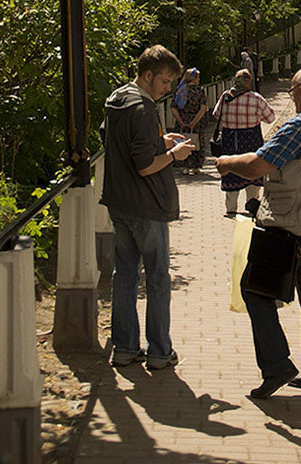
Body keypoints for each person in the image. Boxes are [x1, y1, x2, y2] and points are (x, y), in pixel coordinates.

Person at [215, 64, 301, 398]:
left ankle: (277, 365)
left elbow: (260, 165)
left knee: (255, 290)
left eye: (292, 90)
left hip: (294, 226)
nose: (291, 96)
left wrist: (226, 162)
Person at [100, 45, 194, 369]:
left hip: (118, 202)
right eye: (165, 82)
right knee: (157, 278)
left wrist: (161, 141)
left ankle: (124, 347)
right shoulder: (143, 108)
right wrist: (172, 155)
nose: (168, 89)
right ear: (148, 74)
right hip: (146, 205)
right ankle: (159, 351)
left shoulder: (118, 98)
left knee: (124, 274)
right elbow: (144, 165)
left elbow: (118, 143)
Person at [213, 69, 275, 217]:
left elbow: (216, 114)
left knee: (230, 169)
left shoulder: (225, 96)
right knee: (252, 169)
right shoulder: (256, 98)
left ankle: (231, 207)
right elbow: (270, 118)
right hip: (250, 139)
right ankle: (252, 204)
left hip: (230, 140)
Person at [170, 67, 208, 174]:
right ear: (193, 78)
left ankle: (185, 166)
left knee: (182, 141)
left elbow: (173, 107)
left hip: (182, 120)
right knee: (196, 143)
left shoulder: (180, 91)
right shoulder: (199, 91)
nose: (199, 80)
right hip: (196, 121)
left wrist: (181, 121)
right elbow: (203, 108)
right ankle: (196, 166)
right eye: (198, 77)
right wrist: (195, 121)